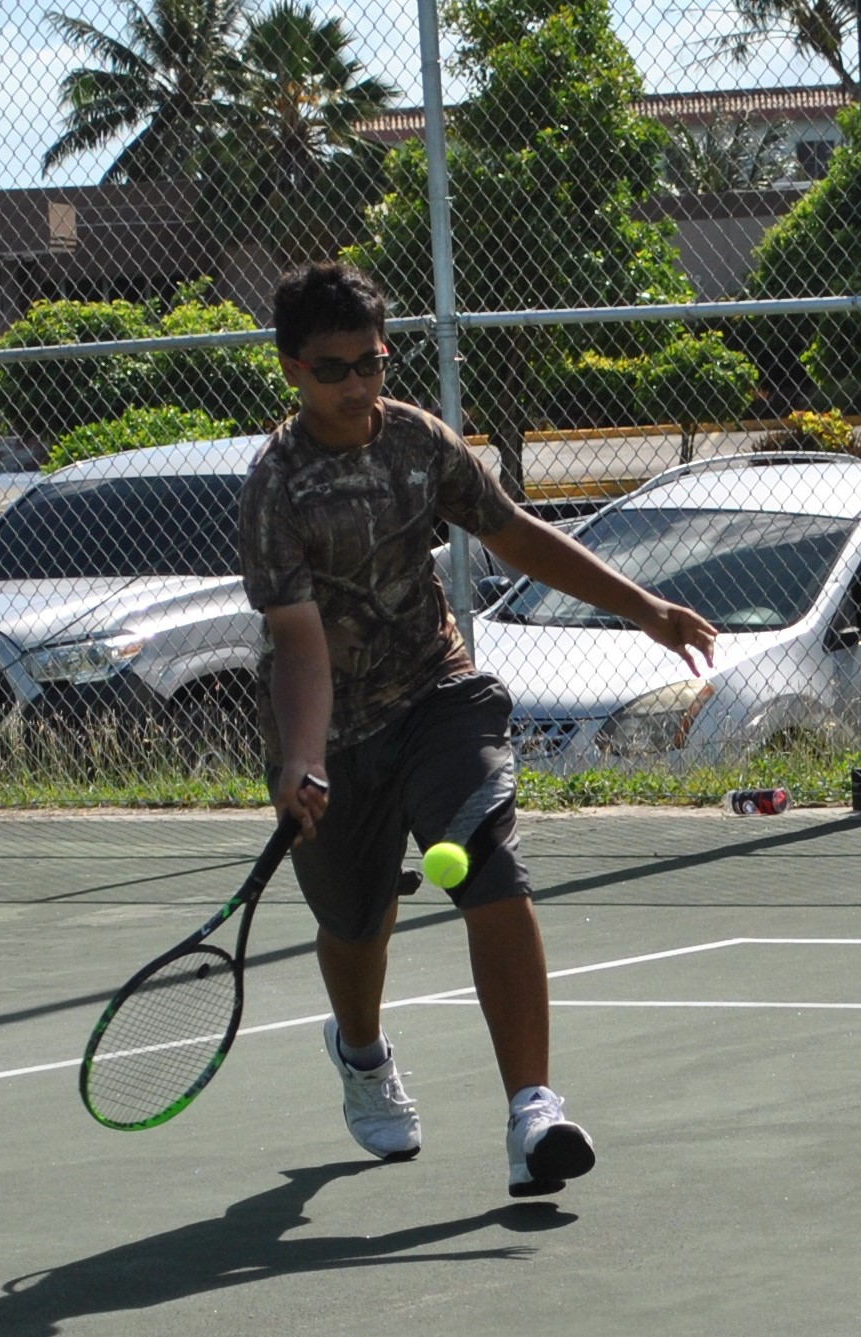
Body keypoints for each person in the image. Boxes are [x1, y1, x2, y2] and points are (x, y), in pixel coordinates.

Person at [238, 261, 716, 1197]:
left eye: (370, 363)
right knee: (355, 925)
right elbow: (297, 642)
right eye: (332, 370)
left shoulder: (417, 441)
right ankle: (361, 1052)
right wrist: (302, 757)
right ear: (292, 369)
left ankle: (533, 1112)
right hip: (332, 727)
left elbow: (514, 533)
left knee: (490, 871)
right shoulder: (274, 488)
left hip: (439, 694)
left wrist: (645, 608)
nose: (356, 386)